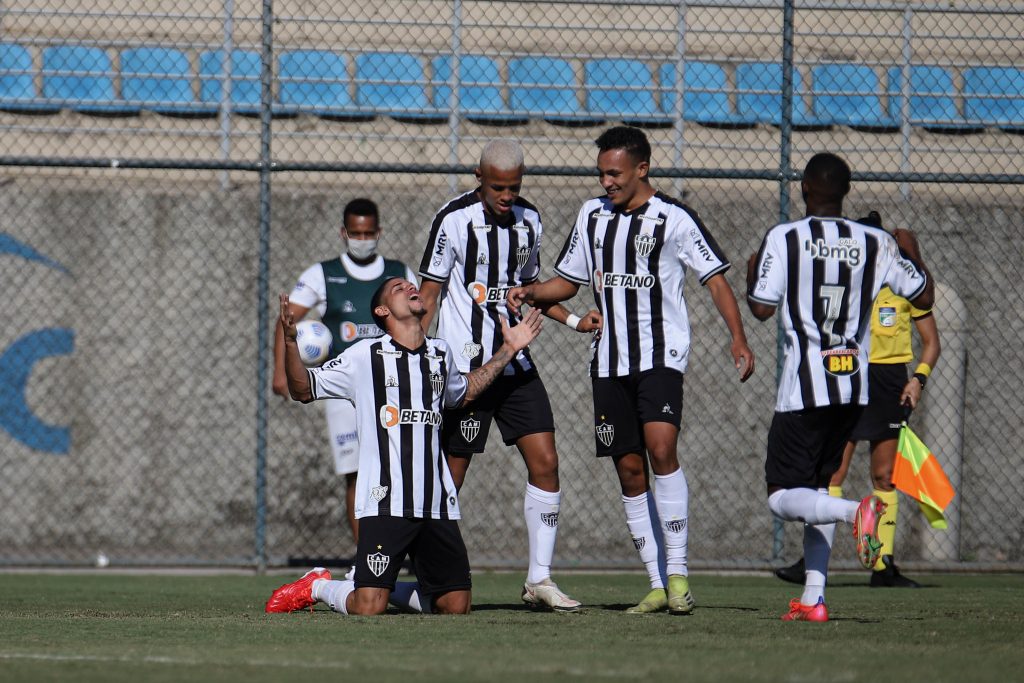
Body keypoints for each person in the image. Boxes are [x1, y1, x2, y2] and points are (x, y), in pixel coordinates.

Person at [507, 126, 755, 615]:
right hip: (608, 361)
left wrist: (738, 337)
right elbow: (568, 282)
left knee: (661, 449)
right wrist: (531, 291)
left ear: (642, 168)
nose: (607, 182)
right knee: (629, 467)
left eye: (615, 174)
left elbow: (715, 280)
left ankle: (678, 576)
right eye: (601, 174)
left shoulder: (675, 218)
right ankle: (657, 584)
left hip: (660, 357)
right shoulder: (591, 215)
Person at [266, 278, 544, 616]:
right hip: (386, 501)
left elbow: (465, 392)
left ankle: (376, 585)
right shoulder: (364, 356)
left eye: (410, 285)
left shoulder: (440, 354)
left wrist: (508, 349)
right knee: (369, 607)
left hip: (435, 502)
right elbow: (303, 390)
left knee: (455, 606)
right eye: (398, 289)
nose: (411, 287)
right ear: (382, 311)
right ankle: (317, 586)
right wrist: (290, 343)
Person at [746, 153, 935, 622]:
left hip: (803, 389)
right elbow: (924, 294)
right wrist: (907, 250)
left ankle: (856, 513)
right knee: (817, 491)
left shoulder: (785, 237)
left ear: (804, 188)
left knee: (780, 496)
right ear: (847, 192)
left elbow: (762, 307)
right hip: (854, 387)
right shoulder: (876, 241)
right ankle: (814, 599)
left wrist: (753, 268)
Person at [417, 139, 600, 612]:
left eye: (513, 187)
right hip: (468, 371)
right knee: (450, 475)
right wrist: (415, 356)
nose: (506, 195)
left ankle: (539, 578)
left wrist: (575, 320)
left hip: (516, 364)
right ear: (479, 177)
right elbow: (429, 294)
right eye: (497, 187)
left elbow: (530, 292)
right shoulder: (453, 219)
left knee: (546, 461)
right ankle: (422, 564)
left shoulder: (529, 220)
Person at [774, 212, 941, 589]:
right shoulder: (847, 283)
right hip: (849, 376)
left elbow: (932, 343)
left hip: (889, 382)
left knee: (884, 475)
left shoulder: (905, 286)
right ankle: (813, 561)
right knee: (831, 473)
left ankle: (883, 566)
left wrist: (918, 379)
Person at [272, 198, 417, 570]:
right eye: (355, 233)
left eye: (368, 233)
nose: (362, 240)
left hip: (390, 384)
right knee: (356, 471)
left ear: (379, 233)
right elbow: (287, 320)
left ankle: (407, 552)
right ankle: (368, 556)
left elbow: (418, 318)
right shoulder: (323, 274)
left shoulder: (399, 273)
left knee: (400, 469)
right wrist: (280, 373)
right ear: (343, 233)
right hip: (343, 388)